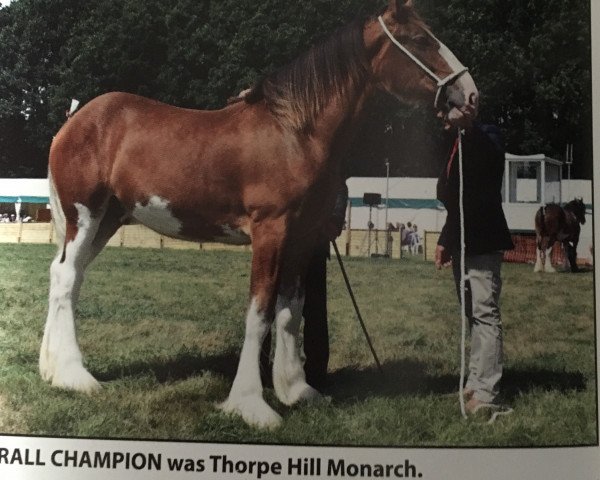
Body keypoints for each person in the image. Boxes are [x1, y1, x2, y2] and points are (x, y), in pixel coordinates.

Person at [435, 122, 513, 415]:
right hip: (463, 243)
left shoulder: (487, 135)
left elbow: (486, 170)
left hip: (483, 240)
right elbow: (456, 201)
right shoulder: (452, 144)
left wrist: (468, 125)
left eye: (447, 111)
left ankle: (487, 391)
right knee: (473, 314)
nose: (442, 118)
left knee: (485, 313)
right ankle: (475, 381)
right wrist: (446, 241)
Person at [261, 184, 348, 388]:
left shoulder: (321, 160)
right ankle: (260, 371)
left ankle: (315, 376)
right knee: (265, 310)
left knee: (314, 312)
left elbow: (338, 184)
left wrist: (334, 220)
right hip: (277, 249)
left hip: (313, 250)